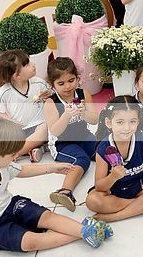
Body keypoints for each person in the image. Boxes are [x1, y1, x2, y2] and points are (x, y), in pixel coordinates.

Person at [0, 117, 112, 253]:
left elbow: (22, 170)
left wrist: (52, 168)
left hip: (10, 205)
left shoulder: (2, 165)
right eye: (12, 155)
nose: (15, 157)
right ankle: (87, 232)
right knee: (30, 242)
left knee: (47, 216)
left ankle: (84, 230)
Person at [86, 96, 143, 222]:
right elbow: (100, 187)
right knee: (92, 201)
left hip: (137, 184)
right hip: (113, 190)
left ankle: (115, 216)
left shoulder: (142, 139)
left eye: (132, 121)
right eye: (120, 122)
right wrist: (113, 176)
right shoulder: (103, 148)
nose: (127, 128)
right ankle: (142, 204)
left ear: (138, 121)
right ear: (109, 123)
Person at [44, 58, 98, 212]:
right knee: (82, 159)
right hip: (62, 144)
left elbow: (94, 120)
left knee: (102, 149)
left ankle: (123, 174)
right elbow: (55, 131)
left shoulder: (83, 94)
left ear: (77, 78)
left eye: (71, 80)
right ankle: (65, 191)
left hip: (84, 135)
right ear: (52, 85)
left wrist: (84, 112)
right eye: (61, 83)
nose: (67, 86)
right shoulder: (51, 102)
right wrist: (66, 116)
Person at [0, 49, 50, 162]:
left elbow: (53, 97)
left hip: (40, 126)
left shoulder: (39, 83)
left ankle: (16, 154)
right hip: (20, 130)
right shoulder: (4, 92)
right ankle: (35, 148)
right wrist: (11, 122)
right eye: (27, 64)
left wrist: (49, 95)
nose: (33, 64)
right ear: (17, 75)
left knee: (46, 128)